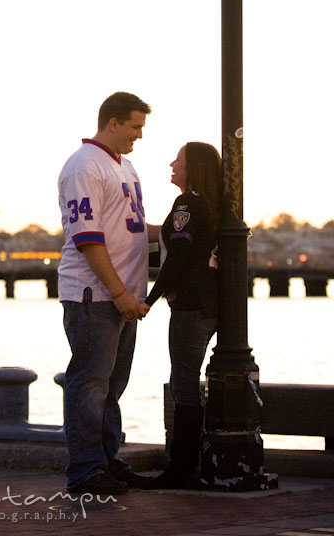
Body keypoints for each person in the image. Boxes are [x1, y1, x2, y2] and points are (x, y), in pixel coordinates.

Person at [58, 91, 155, 495]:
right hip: (93, 295)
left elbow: (134, 227)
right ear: (112, 122)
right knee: (89, 383)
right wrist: (118, 292)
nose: (139, 135)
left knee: (112, 386)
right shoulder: (84, 167)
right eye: (135, 126)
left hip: (124, 297)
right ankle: (85, 470)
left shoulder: (126, 166)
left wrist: (186, 231)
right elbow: (88, 238)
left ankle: (106, 461)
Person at [144, 142, 222, 490]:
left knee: (184, 385)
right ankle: (190, 462)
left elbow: (178, 258)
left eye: (180, 159)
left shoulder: (187, 203)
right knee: (187, 382)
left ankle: (181, 467)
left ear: (194, 167)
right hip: (209, 306)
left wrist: (149, 299)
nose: (172, 163)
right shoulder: (212, 205)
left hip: (189, 306)